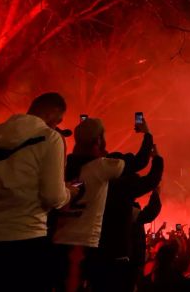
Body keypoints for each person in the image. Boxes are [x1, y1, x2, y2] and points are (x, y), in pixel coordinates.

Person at [0, 92, 72, 292]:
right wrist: (70, 193)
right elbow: (53, 196)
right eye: (58, 121)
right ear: (53, 116)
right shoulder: (50, 139)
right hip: (26, 244)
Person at [52, 117, 126, 291]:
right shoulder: (101, 167)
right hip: (83, 242)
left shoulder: (65, 165)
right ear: (98, 140)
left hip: (58, 239)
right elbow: (131, 163)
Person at [94, 116, 164, 291]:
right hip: (119, 258)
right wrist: (155, 155)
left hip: (95, 256)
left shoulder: (93, 179)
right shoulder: (120, 189)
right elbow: (149, 176)